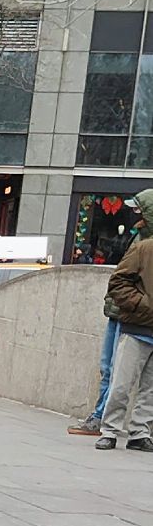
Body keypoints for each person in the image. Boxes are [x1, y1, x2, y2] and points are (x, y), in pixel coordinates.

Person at [69, 189, 153, 437]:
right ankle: (105, 423)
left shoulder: (142, 241)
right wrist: (140, 304)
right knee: (114, 372)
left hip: (132, 316)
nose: (133, 215)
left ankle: (131, 429)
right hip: (128, 316)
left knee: (129, 379)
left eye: (138, 210)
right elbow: (120, 281)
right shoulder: (140, 241)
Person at [98, 219, 153, 451]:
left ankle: (140, 433)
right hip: (138, 327)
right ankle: (109, 430)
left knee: (150, 390)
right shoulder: (143, 249)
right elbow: (118, 282)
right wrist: (143, 304)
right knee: (121, 383)